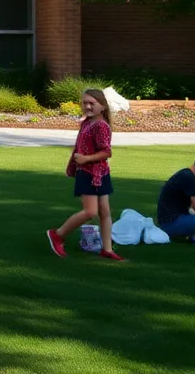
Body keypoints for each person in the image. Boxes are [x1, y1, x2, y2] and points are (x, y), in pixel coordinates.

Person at [46, 88, 125, 261]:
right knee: (91, 212)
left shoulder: (101, 125)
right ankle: (57, 234)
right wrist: (74, 165)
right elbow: (78, 148)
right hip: (88, 173)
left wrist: (85, 159)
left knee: (104, 212)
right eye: (84, 103)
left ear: (102, 106)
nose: (88, 106)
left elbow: (106, 152)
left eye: (92, 103)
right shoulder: (87, 123)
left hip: (98, 173)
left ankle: (107, 249)